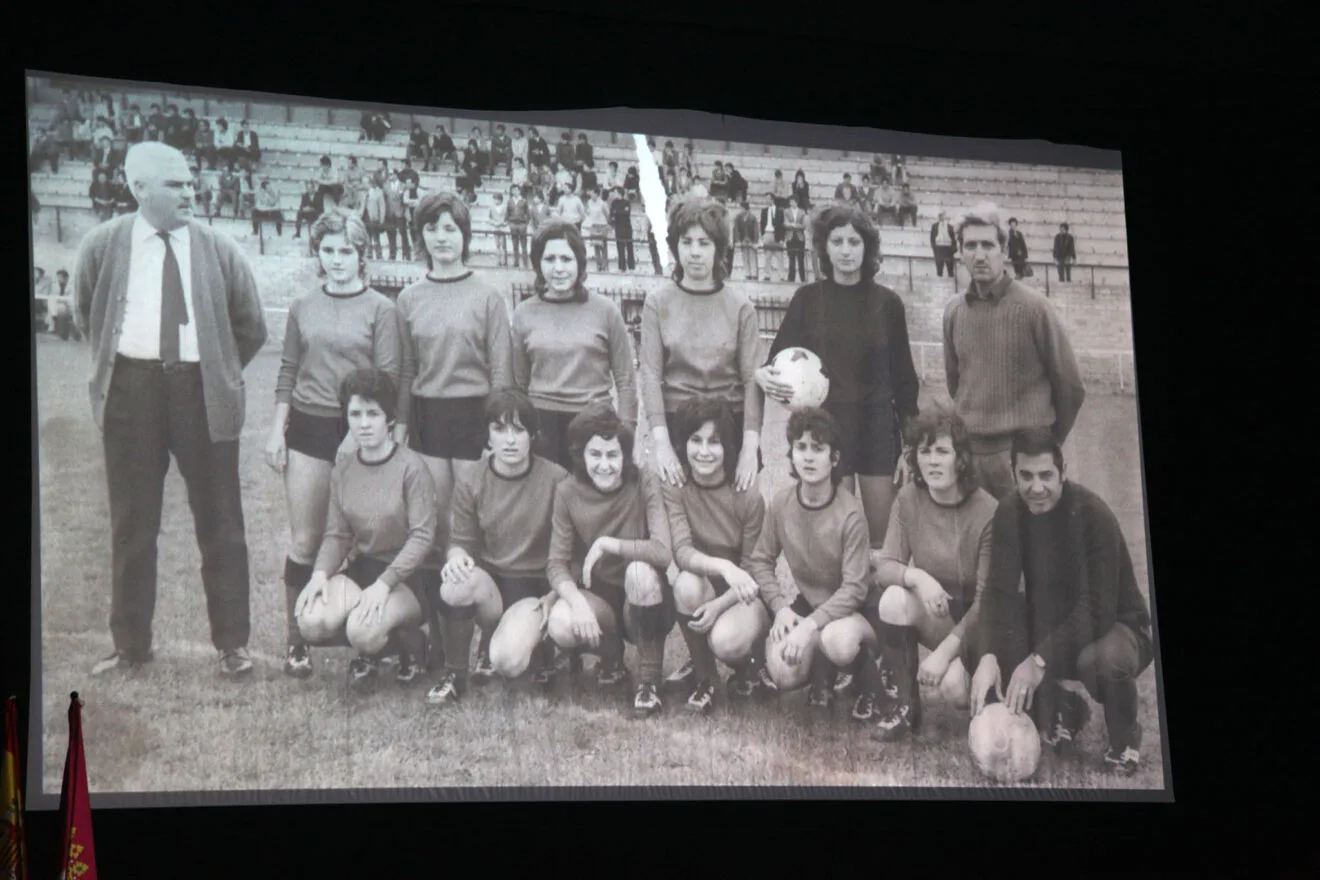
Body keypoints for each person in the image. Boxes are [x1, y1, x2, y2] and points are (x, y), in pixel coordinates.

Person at [75, 142, 268, 678]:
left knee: (222, 523)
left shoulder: (218, 248)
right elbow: (85, 310)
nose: (191, 192)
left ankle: (233, 646)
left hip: (201, 392)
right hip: (131, 393)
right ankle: (131, 646)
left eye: (190, 182)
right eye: (176, 184)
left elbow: (250, 325)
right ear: (139, 189)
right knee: (132, 525)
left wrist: (215, 370)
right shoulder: (103, 244)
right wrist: (129, 370)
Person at [969, 428, 1153, 775]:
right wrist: (989, 654)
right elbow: (999, 592)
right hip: (1056, 623)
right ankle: (1063, 709)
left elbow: (1097, 609)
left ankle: (1124, 738)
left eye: (1046, 476)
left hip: (1117, 626)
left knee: (1099, 660)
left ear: (1063, 472)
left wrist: (1037, 661)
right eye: (1026, 476)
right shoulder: (1009, 511)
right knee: (980, 640)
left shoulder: (1093, 516)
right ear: (1014, 474)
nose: (1036, 487)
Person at [267, 211, 401, 678]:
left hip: (362, 433)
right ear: (317, 253)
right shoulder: (303, 305)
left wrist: (364, 438)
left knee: (365, 539)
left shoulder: (382, 309)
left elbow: (388, 379)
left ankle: (374, 645)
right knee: (306, 538)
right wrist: (276, 427)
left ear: (363, 255)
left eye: (346, 251)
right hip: (307, 429)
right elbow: (288, 369)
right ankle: (295, 642)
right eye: (328, 251)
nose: (337, 260)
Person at [758, 202, 920, 550]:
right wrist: (764, 377)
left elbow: (905, 380)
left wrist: (910, 446)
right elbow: (775, 363)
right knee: (835, 537)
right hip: (827, 428)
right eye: (837, 242)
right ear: (823, 247)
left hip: (878, 427)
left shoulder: (888, 304)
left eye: (854, 242)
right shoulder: (807, 300)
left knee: (882, 540)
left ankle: (878, 602)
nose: (846, 251)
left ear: (868, 248)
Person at [427, 389, 571, 703]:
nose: (509, 440)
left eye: (519, 430)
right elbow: (460, 541)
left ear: (533, 435)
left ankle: (539, 646)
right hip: (493, 584)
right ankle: (454, 674)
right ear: (488, 435)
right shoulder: (472, 478)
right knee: (454, 585)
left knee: (508, 661)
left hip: (536, 585)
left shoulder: (557, 479)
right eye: (500, 429)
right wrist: (456, 557)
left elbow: (569, 550)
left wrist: (552, 596)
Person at [294, 369, 434, 688]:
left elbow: (422, 537)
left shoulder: (412, 467)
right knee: (311, 621)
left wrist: (384, 584)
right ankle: (374, 650)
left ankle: (413, 644)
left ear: (389, 419)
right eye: (355, 414)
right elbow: (337, 534)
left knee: (362, 631)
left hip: (407, 578)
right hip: (364, 568)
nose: (364, 423)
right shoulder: (343, 468)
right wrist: (319, 575)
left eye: (373, 414)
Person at [863, 406, 997, 737]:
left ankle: (1047, 704)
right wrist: (919, 578)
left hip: (982, 626)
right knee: (893, 599)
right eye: (925, 451)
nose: (933, 461)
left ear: (961, 459)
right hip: (939, 611)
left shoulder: (989, 510)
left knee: (954, 689)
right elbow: (886, 566)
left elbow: (988, 601)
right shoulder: (908, 499)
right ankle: (906, 707)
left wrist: (943, 655)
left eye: (942, 451)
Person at [397, 191, 513, 561]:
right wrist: (401, 423)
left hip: (473, 413)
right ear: (421, 236)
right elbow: (407, 369)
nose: (441, 237)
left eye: (450, 228)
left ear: (464, 234)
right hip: (427, 414)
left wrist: (497, 425)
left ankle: (482, 604)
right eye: (432, 228)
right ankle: (445, 615)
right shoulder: (409, 298)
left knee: (473, 515)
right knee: (437, 519)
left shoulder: (488, 297)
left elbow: (501, 370)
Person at [943, 202, 1086, 499]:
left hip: (1022, 456)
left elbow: (1070, 386)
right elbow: (955, 383)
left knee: (1028, 543)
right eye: (970, 245)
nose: (979, 254)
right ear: (959, 252)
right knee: (979, 543)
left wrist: (1045, 443)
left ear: (1004, 251)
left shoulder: (1034, 308)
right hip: (971, 455)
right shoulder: (953, 311)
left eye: (988, 245)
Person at [546, 401, 675, 718]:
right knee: (561, 622)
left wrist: (608, 544)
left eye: (612, 455)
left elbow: (661, 550)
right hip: (601, 597)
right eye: (595, 455)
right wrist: (576, 602)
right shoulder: (567, 491)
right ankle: (611, 659)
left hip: (648, 596)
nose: (604, 464)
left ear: (625, 455)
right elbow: (556, 563)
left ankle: (649, 683)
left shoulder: (645, 481)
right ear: (581, 454)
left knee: (639, 572)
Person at [747, 408, 875, 711]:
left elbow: (855, 589)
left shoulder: (850, 512)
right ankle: (823, 675)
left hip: (857, 613)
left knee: (838, 640)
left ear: (834, 459)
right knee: (781, 672)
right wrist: (780, 608)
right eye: (801, 447)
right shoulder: (781, 503)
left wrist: (808, 627)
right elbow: (761, 560)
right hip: (811, 605)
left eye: (818, 449)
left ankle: (868, 676)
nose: (807, 457)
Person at [641, 197, 764, 499]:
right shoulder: (657, 303)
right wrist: (662, 444)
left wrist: (750, 447)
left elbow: (752, 380)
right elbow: (650, 375)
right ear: (676, 246)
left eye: (705, 243)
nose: (695, 252)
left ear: (719, 249)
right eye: (687, 242)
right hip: (677, 422)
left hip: (728, 422)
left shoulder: (740, 306)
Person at [662, 396, 774, 712]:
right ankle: (705, 678)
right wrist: (724, 567)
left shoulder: (747, 493)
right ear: (683, 444)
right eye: (695, 440)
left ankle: (752, 665)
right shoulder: (676, 486)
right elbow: (682, 551)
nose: (704, 451)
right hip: (709, 583)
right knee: (685, 583)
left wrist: (721, 603)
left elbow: (754, 567)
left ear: (728, 446)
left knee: (727, 641)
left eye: (714, 441)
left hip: (744, 594)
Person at [512, 220, 637, 470]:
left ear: (579, 263)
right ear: (538, 264)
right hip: (542, 426)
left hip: (594, 422)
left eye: (566, 259)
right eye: (550, 259)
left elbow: (625, 380)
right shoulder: (523, 313)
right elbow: (518, 384)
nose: (558, 268)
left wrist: (625, 434)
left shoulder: (606, 310)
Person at [609, 189, 635, 272]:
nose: (614, 194)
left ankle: (631, 266)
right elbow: (612, 214)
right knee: (620, 247)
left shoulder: (626, 202)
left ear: (620, 193)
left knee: (629, 247)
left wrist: (617, 212)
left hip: (627, 227)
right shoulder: (613, 203)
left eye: (615, 192)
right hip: (618, 227)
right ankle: (622, 267)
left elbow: (626, 213)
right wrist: (619, 212)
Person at [783, 198, 807, 282]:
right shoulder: (786, 211)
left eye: (792, 201)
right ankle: (791, 278)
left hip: (800, 237)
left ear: (796, 202)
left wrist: (793, 225)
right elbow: (785, 224)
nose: (791, 203)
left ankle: (803, 278)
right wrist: (795, 225)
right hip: (790, 237)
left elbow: (803, 225)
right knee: (791, 258)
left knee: (801, 258)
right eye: (790, 202)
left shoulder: (802, 212)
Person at [507, 185, 531, 269]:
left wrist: (526, 224)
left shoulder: (524, 201)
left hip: (522, 224)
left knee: (524, 245)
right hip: (513, 224)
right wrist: (509, 222)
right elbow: (507, 213)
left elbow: (528, 214)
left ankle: (525, 262)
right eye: (513, 190)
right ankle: (516, 262)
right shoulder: (510, 201)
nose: (515, 192)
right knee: (515, 244)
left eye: (516, 190)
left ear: (519, 191)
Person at [931, 210, 958, 279]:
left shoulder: (950, 227)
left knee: (950, 269)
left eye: (943, 216)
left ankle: (951, 281)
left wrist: (953, 249)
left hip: (948, 249)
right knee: (939, 269)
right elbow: (932, 238)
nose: (941, 218)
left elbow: (953, 239)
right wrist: (935, 249)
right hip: (939, 248)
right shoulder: (934, 226)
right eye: (940, 216)